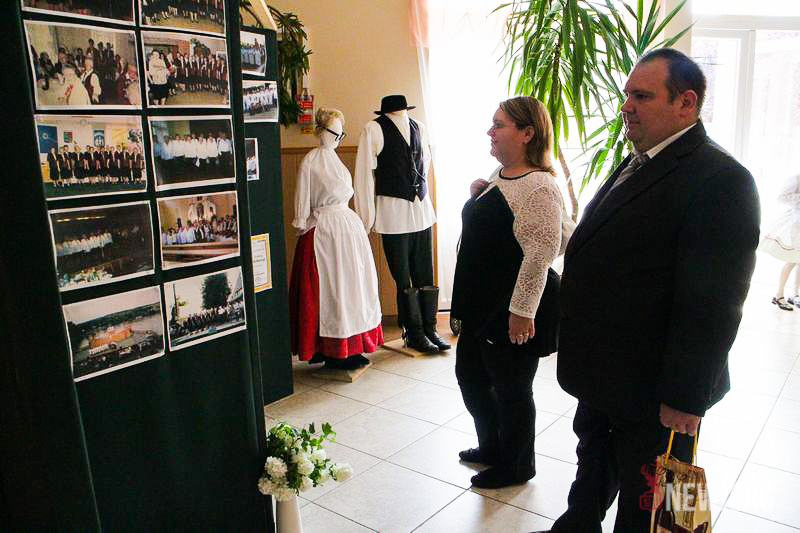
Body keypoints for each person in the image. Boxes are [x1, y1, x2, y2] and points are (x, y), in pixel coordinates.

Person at [534, 48, 760, 533]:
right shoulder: (640, 161)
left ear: (686, 103)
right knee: (593, 467)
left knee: (653, 508)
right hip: (606, 376)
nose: (627, 107)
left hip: (658, 392)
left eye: (642, 96)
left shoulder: (722, 180)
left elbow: (714, 306)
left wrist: (685, 398)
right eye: (627, 95)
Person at [452, 96, 568, 489]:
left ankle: (517, 465)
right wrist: (478, 196)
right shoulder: (502, 174)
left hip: (510, 305)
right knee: (471, 378)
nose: (490, 131)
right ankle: (492, 446)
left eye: (499, 125)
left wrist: (522, 311)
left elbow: (541, 251)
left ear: (527, 133)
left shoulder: (539, 185)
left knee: (511, 389)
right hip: (481, 303)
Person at [354, 94, 450, 354]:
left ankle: (430, 328)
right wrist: (366, 217)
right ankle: (413, 332)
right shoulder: (373, 129)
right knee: (403, 278)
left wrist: (422, 194)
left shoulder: (419, 127)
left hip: (421, 211)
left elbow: (424, 163)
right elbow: (363, 175)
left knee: (425, 273)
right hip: (393, 213)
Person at [289, 108, 384, 370]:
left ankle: (353, 345)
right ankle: (330, 348)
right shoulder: (311, 161)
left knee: (353, 287)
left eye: (341, 134)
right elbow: (303, 196)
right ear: (322, 131)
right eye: (335, 133)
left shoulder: (335, 159)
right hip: (325, 232)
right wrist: (302, 221)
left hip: (346, 229)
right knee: (333, 289)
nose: (338, 138)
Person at [758, 174, 800, 310]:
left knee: (798, 260)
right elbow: (781, 197)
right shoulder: (797, 178)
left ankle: (794, 294)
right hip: (796, 222)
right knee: (792, 259)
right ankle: (779, 294)